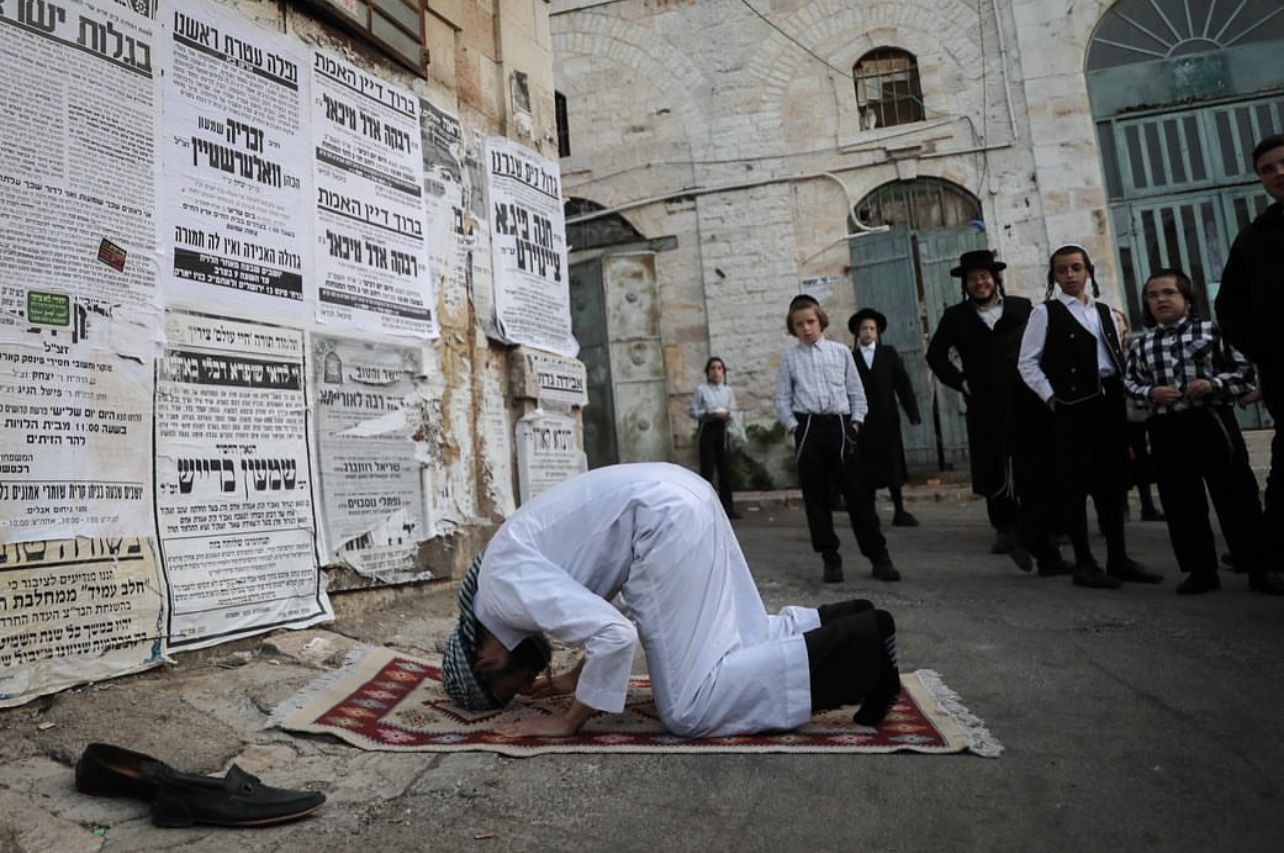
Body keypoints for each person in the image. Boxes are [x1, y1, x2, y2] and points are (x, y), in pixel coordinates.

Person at [440, 463, 902, 738]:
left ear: (485, 663)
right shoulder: (500, 580)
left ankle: (862, 651)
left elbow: (616, 635)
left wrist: (568, 721)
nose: (525, 691)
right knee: (741, 634)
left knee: (687, 709)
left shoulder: (503, 594)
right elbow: (601, 611)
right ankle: (848, 621)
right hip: (684, 493)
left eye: (507, 691)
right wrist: (578, 676)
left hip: (661, 522)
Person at [1124, 270, 1284, 596]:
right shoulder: (1142, 345)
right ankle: (1200, 570)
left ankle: (1257, 566)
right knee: (1181, 500)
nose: (1161, 300)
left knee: (1236, 495)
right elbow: (1129, 384)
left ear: (1186, 299)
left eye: (1169, 292)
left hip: (1211, 422)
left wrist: (1213, 384)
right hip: (1167, 428)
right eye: (1153, 295)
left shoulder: (1211, 332)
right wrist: (1151, 392)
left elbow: (1244, 373)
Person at [1017, 244, 1160, 589]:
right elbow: (1027, 362)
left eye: (1076, 268)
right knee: (1076, 484)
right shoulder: (1045, 313)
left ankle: (1118, 558)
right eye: (1062, 270)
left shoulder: (1105, 312)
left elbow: (1116, 356)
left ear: (1088, 271)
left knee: (1112, 481)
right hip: (1072, 407)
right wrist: (1051, 397)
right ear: (1054, 276)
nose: (1069, 275)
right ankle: (1084, 562)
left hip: (1110, 402)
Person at [774, 295, 899, 583]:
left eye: (810, 322)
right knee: (816, 498)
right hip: (809, 429)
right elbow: (782, 399)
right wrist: (795, 426)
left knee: (858, 495)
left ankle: (879, 557)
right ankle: (830, 557)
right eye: (799, 324)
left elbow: (856, 391)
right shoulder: (790, 359)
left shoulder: (840, 351)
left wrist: (855, 422)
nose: (806, 328)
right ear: (792, 328)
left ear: (821, 321)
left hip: (840, 428)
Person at [926, 249, 1032, 555]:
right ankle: (1004, 528)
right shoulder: (955, 317)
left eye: (984, 277)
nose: (980, 283)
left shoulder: (1022, 307)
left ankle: (1038, 524)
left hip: (1024, 398)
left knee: (1028, 459)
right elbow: (935, 355)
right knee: (992, 463)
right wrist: (959, 381)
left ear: (995, 278)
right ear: (966, 284)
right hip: (984, 402)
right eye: (973, 279)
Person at [1214, 134, 1284, 558]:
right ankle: (1271, 555)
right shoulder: (1255, 238)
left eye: (1283, 163)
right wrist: (1265, 351)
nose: (1279, 174)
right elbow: (1229, 306)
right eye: (1267, 169)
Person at [849, 308, 922, 527]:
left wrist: (913, 413)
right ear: (857, 332)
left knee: (892, 465)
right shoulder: (851, 358)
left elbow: (902, 384)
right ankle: (870, 513)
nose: (868, 332)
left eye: (872, 328)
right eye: (864, 329)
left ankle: (899, 510)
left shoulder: (888, 354)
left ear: (878, 332)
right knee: (866, 467)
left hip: (887, 419)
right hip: (863, 422)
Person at [1111, 308, 1164, 523]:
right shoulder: (1100, 349)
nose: (1116, 325)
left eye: (1119, 320)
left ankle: (1147, 506)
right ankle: (1120, 509)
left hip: (1138, 414)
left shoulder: (1136, 348)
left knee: (1143, 461)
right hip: (1114, 417)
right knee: (1117, 462)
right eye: (1111, 321)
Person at [689, 356, 742, 519]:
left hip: (723, 430)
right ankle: (707, 508)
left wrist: (728, 414)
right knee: (707, 471)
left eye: (719, 368)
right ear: (708, 372)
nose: (716, 372)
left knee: (725, 470)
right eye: (713, 368)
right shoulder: (701, 390)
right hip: (708, 429)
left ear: (723, 372)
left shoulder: (727, 391)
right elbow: (692, 411)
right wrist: (706, 413)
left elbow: (733, 409)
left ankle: (728, 508)